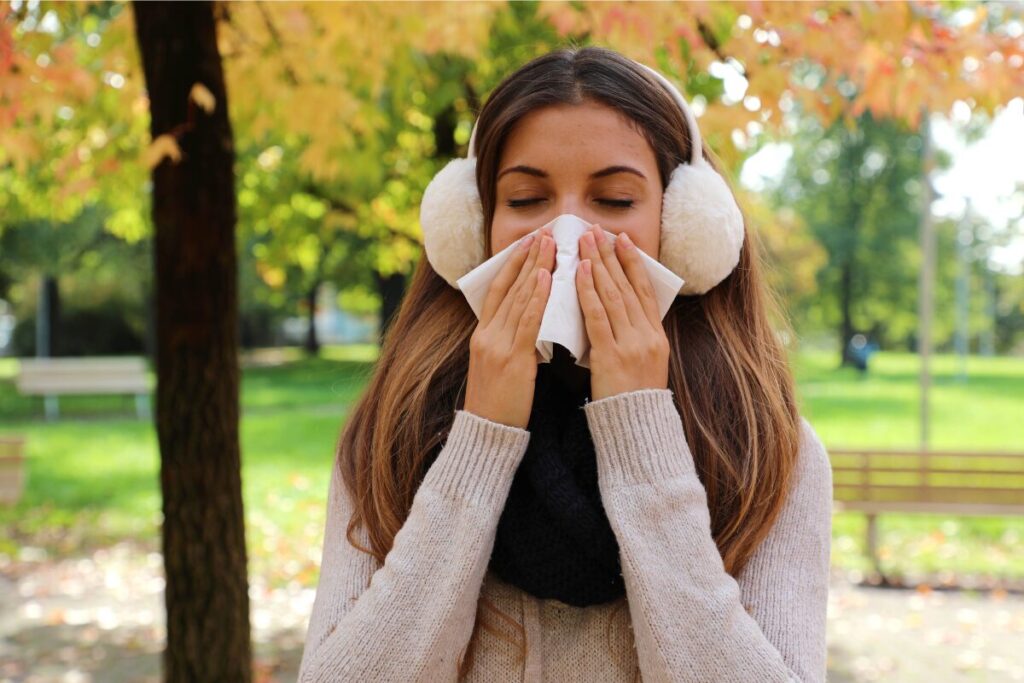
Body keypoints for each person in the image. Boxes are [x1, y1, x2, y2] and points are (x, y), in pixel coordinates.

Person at [298, 45, 833, 682]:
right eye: (526, 199)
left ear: (686, 228)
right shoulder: (390, 433)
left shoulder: (769, 450)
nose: (566, 236)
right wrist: (481, 439)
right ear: (472, 229)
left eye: (612, 200)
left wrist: (639, 427)